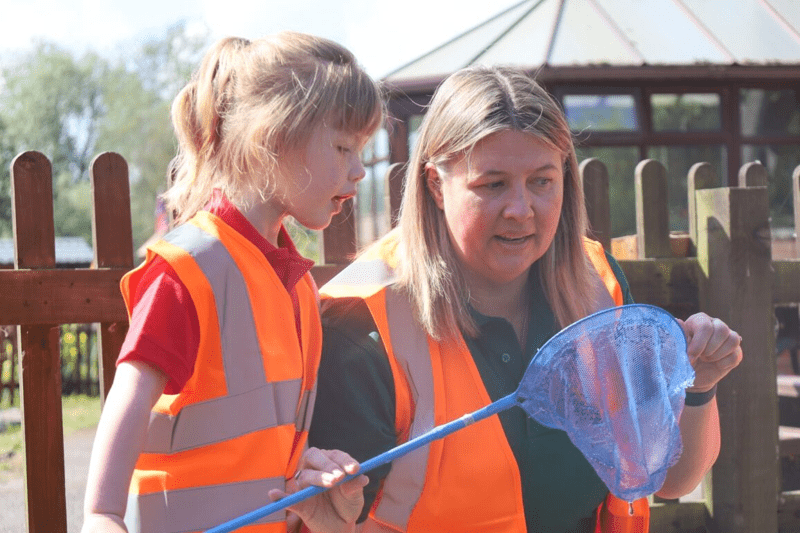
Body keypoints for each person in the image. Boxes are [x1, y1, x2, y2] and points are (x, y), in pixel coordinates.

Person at [309, 65, 742, 533]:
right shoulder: (362, 325)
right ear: (435, 184)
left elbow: (673, 478)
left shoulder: (600, 287)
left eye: (542, 181)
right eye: (492, 185)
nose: (520, 210)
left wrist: (699, 388)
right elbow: (332, 520)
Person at [82, 32, 383, 533]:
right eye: (344, 146)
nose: (359, 170)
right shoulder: (189, 269)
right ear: (274, 140)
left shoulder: (297, 287)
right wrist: (101, 515)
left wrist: (314, 478)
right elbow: (129, 397)